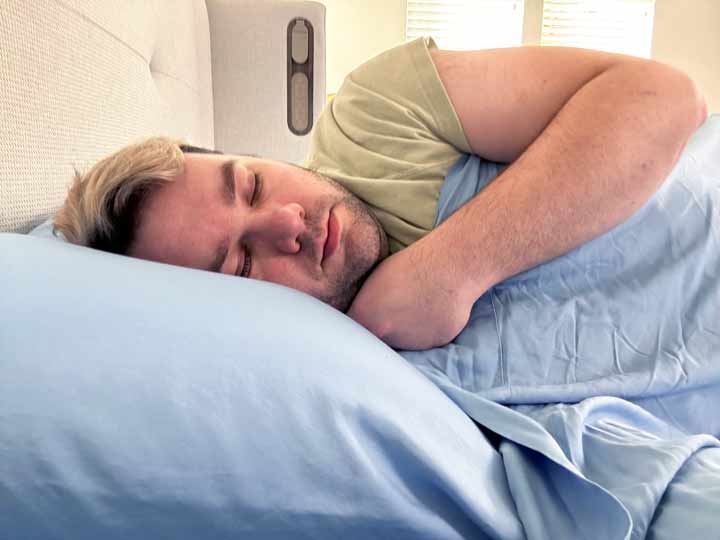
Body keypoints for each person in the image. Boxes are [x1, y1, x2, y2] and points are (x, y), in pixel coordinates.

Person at [53, 38, 707, 350]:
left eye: (250, 183)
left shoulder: (373, 112)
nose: (288, 221)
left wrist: (456, 266)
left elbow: (663, 98)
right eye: (242, 262)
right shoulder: (330, 362)